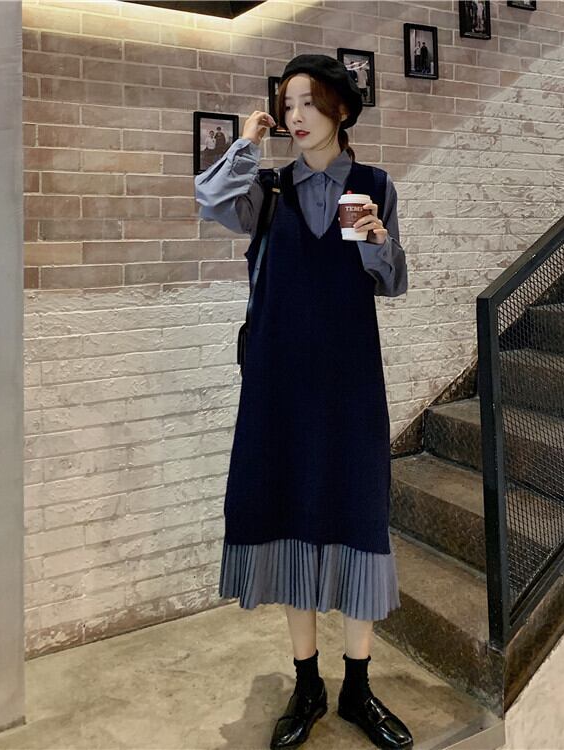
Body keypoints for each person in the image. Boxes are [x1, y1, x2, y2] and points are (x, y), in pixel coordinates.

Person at [194, 53, 411, 750]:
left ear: (340, 109)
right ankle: (307, 682)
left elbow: (391, 283)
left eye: (309, 102)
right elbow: (209, 202)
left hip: (350, 384)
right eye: (287, 105)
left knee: (358, 515)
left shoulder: (370, 188)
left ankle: (358, 686)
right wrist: (246, 146)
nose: (296, 116)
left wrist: (377, 242)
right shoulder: (270, 190)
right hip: (279, 385)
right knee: (288, 511)